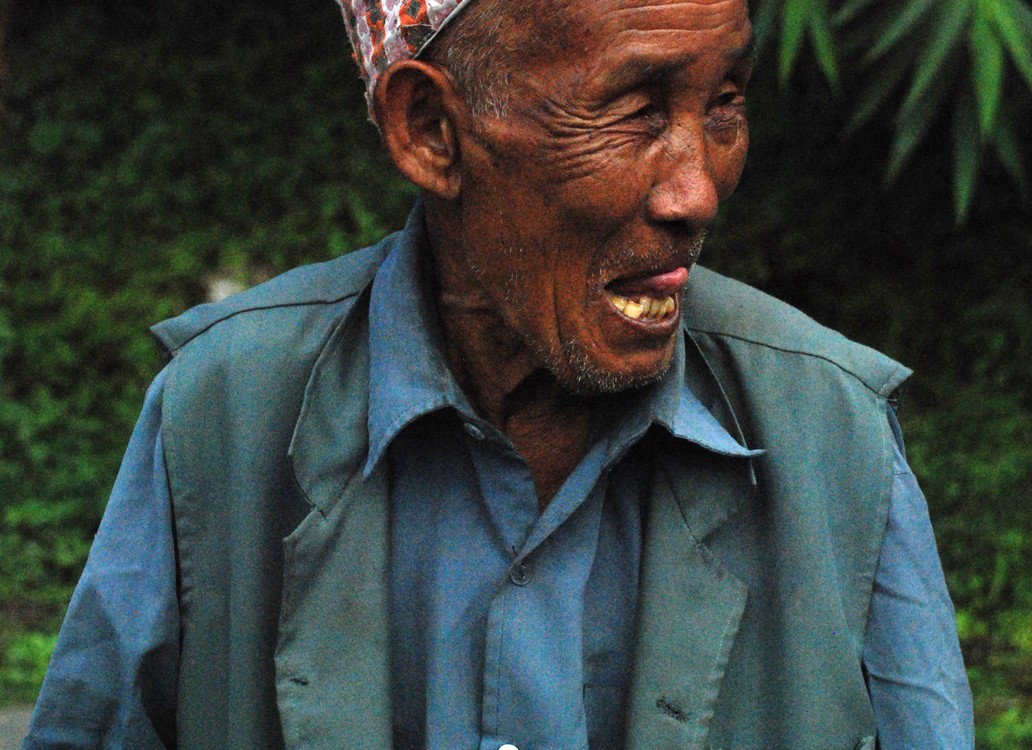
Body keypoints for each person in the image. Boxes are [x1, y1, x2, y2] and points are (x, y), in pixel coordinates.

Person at [23, 0, 974, 748]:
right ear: (432, 128)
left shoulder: (830, 432)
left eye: (723, 102)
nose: (696, 191)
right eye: (634, 108)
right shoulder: (226, 415)